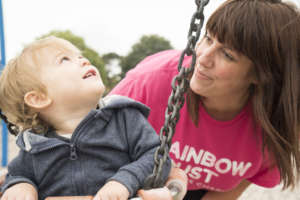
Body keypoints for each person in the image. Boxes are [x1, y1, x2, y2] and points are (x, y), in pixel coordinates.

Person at [110, 0, 300, 199]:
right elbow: (87, 147)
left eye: (227, 54)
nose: (202, 58)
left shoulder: (276, 128)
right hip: (116, 180)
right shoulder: (150, 81)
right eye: (208, 39)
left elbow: (227, 192)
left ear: (262, 75)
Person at [0, 36, 171, 200]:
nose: (84, 60)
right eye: (64, 60)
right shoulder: (35, 147)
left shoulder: (124, 118)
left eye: (80, 56)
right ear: (39, 98)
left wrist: (124, 181)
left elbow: (157, 157)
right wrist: (21, 185)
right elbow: (16, 174)